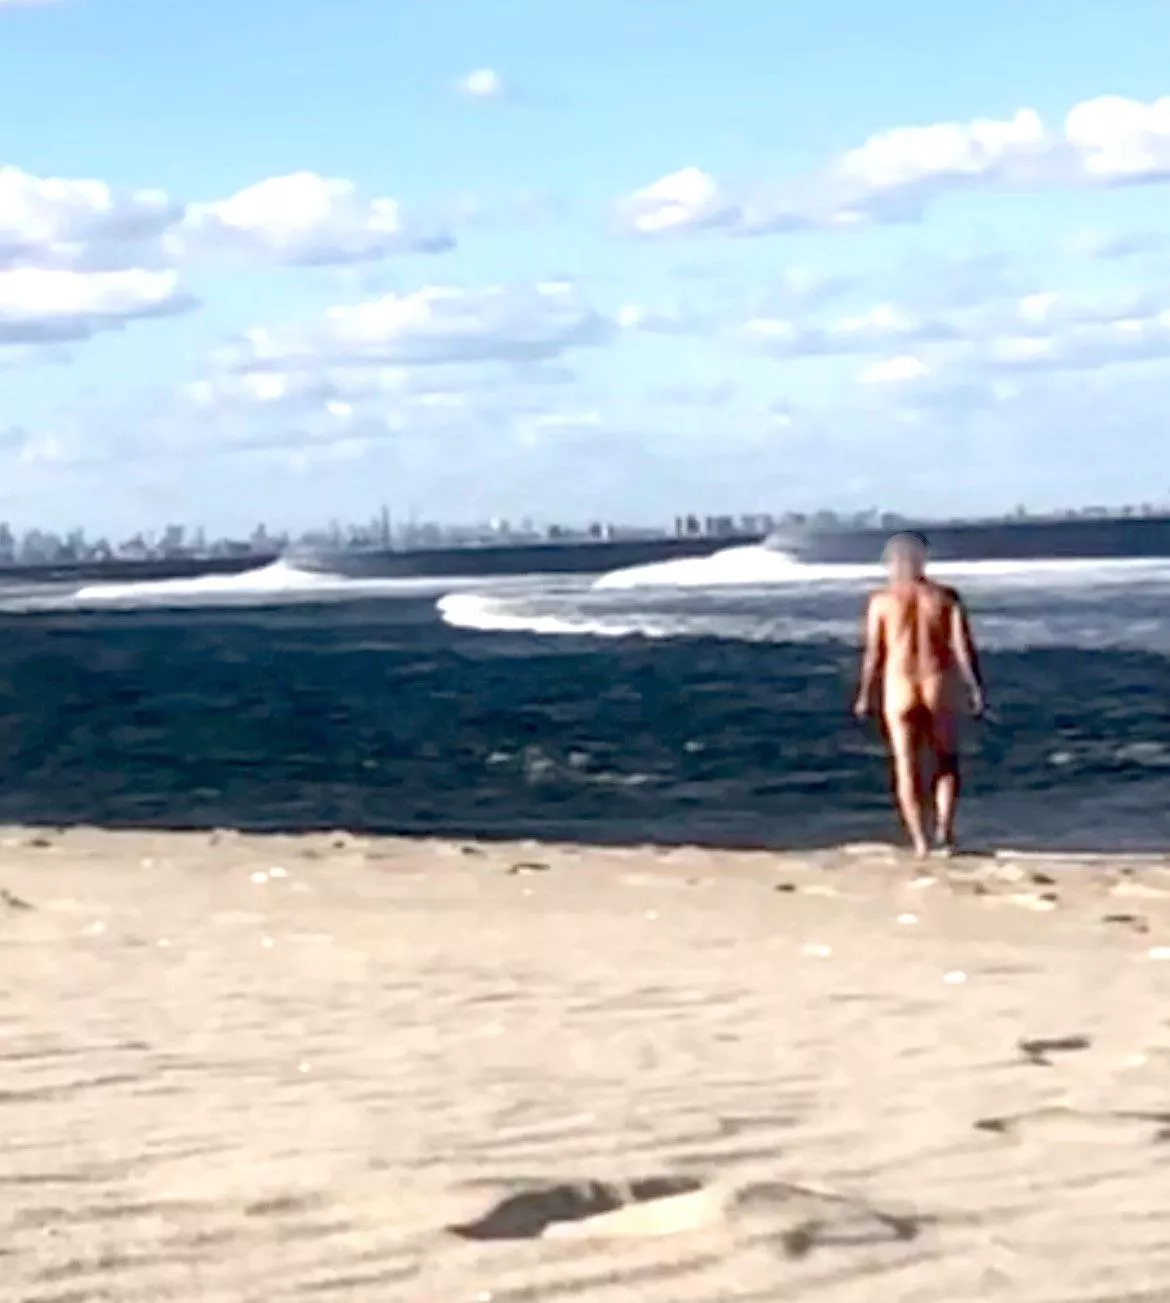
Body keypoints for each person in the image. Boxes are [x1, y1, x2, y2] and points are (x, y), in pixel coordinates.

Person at [852, 532, 985, 858]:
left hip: (899, 686)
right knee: (946, 760)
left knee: (906, 765)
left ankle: (920, 843)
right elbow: (962, 648)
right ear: (923, 558)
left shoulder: (881, 601)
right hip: (937, 682)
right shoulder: (945, 597)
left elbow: (874, 653)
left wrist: (865, 693)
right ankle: (945, 832)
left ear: (891, 561)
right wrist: (974, 686)